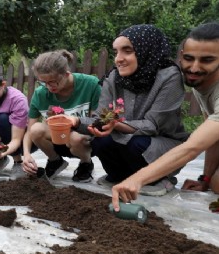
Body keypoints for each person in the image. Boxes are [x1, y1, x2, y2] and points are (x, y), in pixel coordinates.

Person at [66, 24, 188, 197]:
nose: (118, 59)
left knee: (135, 143)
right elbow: (101, 118)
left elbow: (152, 125)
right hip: (126, 138)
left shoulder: (169, 76)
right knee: (100, 139)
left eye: (127, 51)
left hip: (160, 143)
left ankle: (159, 179)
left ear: (147, 50)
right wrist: (75, 121)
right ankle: (119, 176)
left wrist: (115, 124)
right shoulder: (114, 77)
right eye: (116, 52)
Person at [112, 22, 219, 209]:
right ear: (181, 56)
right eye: (188, 58)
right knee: (216, 183)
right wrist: (205, 179)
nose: (194, 68)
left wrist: (137, 180)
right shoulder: (201, 82)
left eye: (207, 60)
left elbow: (193, 147)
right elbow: (214, 139)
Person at [22, 50, 101, 182]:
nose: (49, 87)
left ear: (66, 74)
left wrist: (74, 122)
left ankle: (86, 163)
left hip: (84, 141)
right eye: (43, 82)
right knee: (36, 129)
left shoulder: (90, 84)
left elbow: (97, 122)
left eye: (53, 81)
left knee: (75, 138)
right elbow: (30, 130)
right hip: (58, 140)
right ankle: (55, 160)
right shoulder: (40, 94)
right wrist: (26, 154)